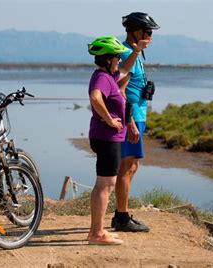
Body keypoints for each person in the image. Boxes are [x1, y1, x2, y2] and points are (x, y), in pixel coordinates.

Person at [87, 36, 148, 245]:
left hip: (106, 137)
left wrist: (136, 51)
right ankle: (96, 233)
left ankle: (98, 230)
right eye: (117, 57)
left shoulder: (110, 75)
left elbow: (126, 68)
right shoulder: (103, 78)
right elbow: (95, 97)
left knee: (103, 185)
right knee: (105, 185)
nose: (119, 60)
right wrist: (110, 120)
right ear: (108, 59)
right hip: (107, 137)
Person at [112, 12, 160, 232]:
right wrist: (129, 120)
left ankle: (122, 213)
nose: (150, 37)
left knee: (132, 165)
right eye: (148, 32)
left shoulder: (137, 53)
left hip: (138, 116)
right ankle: (121, 218)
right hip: (132, 117)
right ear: (135, 31)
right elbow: (120, 90)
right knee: (127, 166)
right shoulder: (127, 53)